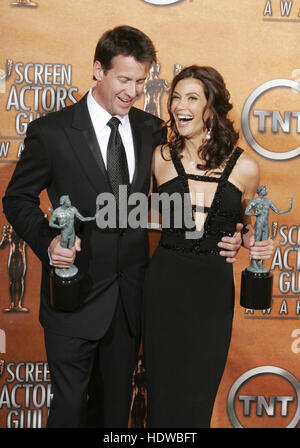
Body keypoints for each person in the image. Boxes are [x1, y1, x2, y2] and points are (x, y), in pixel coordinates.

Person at [3, 28, 241, 428]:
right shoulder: (52, 132)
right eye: (124, 79)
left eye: (141, 81)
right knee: (71, 411)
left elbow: (200, 184)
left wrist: (233, 235)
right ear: (98, 70)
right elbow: (16, 199)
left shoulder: (153, 131)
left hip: (130, 302)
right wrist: (47, 244)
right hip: (73, 296)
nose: (133, 91)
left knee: (114, 415)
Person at [142, 65, 274, 428]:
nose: (178, 106)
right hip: (165, 285)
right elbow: (133, 214)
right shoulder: (160, 158)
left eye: (191, 98)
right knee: (162, 396)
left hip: (212, 293)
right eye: (175, 97)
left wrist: (252, 241)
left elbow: (251, 226)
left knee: (199, 396)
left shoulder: (245, 167)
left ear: (211, 108)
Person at [245, 185, 292, 272]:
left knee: (264, 243)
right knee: (257, 243)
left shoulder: (268, 201)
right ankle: (254, 262)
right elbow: (246, 212)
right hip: (259, 224)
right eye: (265, 189)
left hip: (266, 225)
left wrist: (288, 209)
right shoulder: (254, 201)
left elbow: (277, 211)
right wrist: (255, 214)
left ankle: (259, 263)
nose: (266, 190)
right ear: (260, 191)